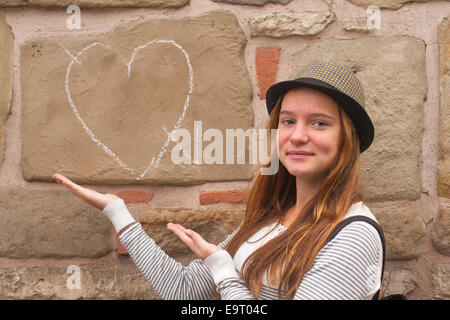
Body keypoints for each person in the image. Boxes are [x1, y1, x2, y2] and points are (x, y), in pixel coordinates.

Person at [53, 61, 382, 300]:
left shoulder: (353, 235)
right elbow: (183, 290)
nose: (297, 135)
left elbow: (226, 284)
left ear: (347, 139)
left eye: (319, 123)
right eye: (288, 121)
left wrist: (224, 272)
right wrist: (119, 213)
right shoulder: (269, 220)